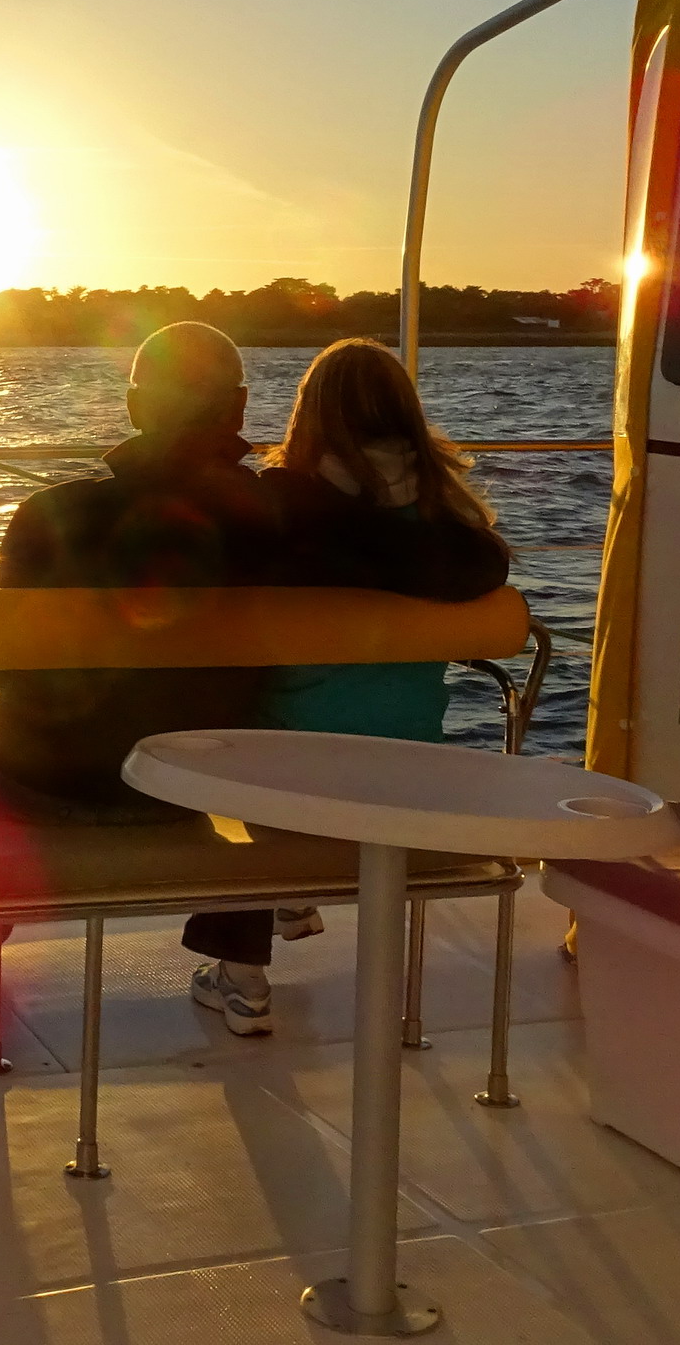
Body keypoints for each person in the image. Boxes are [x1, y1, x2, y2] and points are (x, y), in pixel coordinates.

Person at [179, 337, 512, 1035]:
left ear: (309, 417)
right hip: (415, 770)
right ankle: (290, 897)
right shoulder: (446, 526)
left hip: (293, 786)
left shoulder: (287, 509)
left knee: (228, 725)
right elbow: (481, 564)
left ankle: (243, 974)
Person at [0, 320, 283, 825]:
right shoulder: (278, 522)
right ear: (237, 407)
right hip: (178, 786)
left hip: (36, 778)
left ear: (133, 409)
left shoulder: (49, 514)